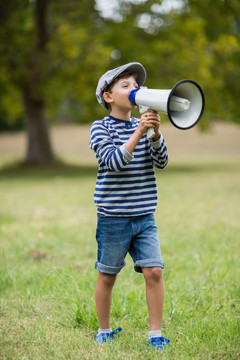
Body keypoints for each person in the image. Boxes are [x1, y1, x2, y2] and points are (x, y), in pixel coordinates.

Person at [89, 62, 170, 351]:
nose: (134, 89)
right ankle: (104, 329)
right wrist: (138, 134)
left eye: (136, 85)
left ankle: (155, 333)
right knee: (108, 274)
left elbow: (161, 162)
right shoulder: (100, 127)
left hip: (145, 214)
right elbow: (113, 162)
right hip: (113, 217)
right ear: (108, 96)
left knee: (155, 272)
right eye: (126, 85)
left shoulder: (145, 124)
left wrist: (156, 135)